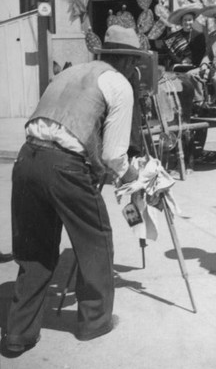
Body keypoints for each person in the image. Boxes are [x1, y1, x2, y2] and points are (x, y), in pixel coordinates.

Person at [3, 28, 148, 353]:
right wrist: (132, 176)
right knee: (96, 242)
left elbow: (70, 125)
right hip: (65, 166)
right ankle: (95, 323)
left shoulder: (72, 72)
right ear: (126, 60)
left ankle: (18, 334)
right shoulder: (119, 84)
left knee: (35, 252)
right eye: (134, 63)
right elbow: (114, 155)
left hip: (27, 159)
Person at [164, 4, 206, 69]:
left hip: (194, 66)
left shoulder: (199, 36)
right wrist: (180, 61)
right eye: (185, 20)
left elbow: (201, 53)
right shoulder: (174, 36)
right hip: (178, 65)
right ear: (181, 21)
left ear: (193, 20)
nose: (187, 22)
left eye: (189, 20)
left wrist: (191, 61)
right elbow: (169, 51)